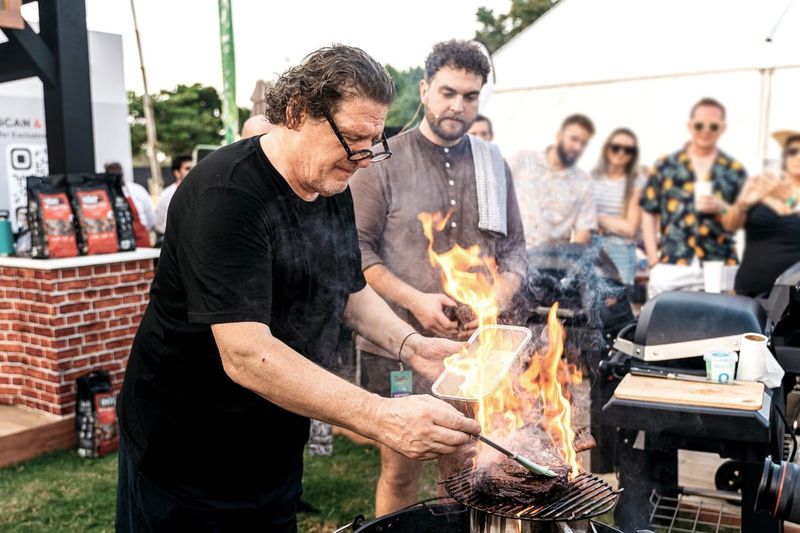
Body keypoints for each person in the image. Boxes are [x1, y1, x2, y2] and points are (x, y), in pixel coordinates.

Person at [115, 45, 480, 532]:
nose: (365, 157)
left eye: (374, 139)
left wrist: (411, 347)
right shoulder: (227, 197)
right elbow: (245, 353)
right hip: (185, 450)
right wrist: (381, 416)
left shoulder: (330, 183)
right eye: (353, 137)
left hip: (272, 438)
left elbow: (350, 289)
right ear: (295, 112)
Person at [350, 39, 527, 517]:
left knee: (465, 464)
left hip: (475, 352)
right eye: (448, 92)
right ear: (425, 90)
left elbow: (514, 254)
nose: (458, 106)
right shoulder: (380, 160)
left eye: (470, 96)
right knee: (401, 466)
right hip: (397, 345)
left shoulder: (493, 162)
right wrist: (417, 301)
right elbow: (357, 253)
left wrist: (491, 302)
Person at [640, 97, 747, 299]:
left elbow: (738, 223)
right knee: (663, 326)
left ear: (722, 128)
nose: (705, 130)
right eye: (699, 125)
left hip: (720, 263)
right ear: (690, 126)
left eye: (713, 126)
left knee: (720, 326)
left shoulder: (734, 170)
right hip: (673, 262)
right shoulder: (666, 165)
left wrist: (722, 207)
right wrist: (654, 260)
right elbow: (648, 212)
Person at [508, 114, 597, 248]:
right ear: (559, 135)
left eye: (583, 144)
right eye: (574, 139)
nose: (577, 147)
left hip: (549, 262)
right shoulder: (522, 160)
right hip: (509, 254)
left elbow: (582, 233)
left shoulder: (584, 182)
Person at [732, 130, 800, 296]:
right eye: (793, 152)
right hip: (746, 287)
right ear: (784, 157)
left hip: (790, 294)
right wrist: (741, 204)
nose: (798, 157)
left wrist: (789, 201)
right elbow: (730, 225)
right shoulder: (761, 186)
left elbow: (788, 207)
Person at [590, 128, 646, 285]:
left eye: (628, 150)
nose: (621, 152)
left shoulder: (637, 182)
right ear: (607, 148)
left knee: (619, 303)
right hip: (590, 246)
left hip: (620, 249)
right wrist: (616, 223)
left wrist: (597, 217)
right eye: (616, 147)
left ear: (633, 155)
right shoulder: (591, 178)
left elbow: (630, 228)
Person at [153, 155, 193, 238]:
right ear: (177, 173)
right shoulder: (166, 195)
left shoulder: (201, 192)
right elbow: (158, 225)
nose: (192, 171)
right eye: (187, 168)